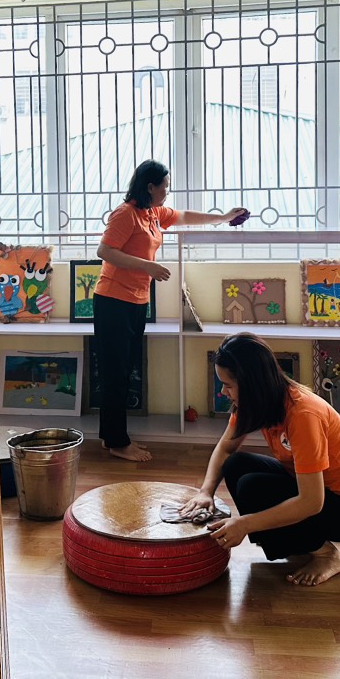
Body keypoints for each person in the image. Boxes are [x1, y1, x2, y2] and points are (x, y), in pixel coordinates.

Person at [180, 333, 340, 585]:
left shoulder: (303, 414)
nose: (223, 391)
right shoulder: (257, 401)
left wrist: (245, 524)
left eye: (228, 385)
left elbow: (311, 502)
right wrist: (205, 492)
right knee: (236, 465)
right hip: (315, 490)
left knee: (252, 487)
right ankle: (298, 540)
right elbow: (226, 449)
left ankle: (327, 554)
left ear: (252, 384)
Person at [94, 160, 244, 462]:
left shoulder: (152, 213)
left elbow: (185, 216)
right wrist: (148, 266)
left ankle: (112, 437)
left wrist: (224, 217)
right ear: (150, 186)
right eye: (165, 186)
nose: (167, 191)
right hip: (113, 302)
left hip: (136, 302)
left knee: (124, 371)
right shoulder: (126, 214)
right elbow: (105, 251)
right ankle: (117, 442)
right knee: (115, 373)